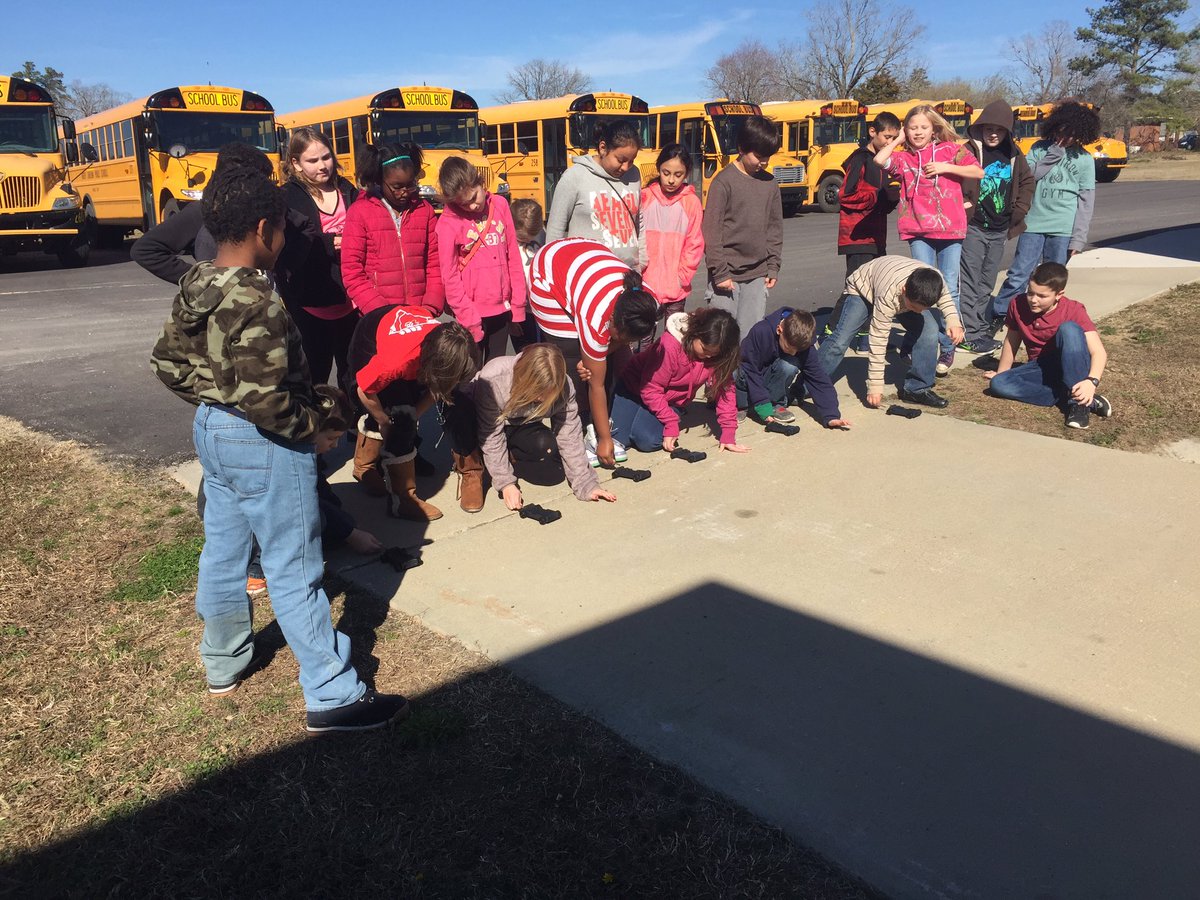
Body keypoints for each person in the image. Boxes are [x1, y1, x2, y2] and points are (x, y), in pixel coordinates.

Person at [149, 167, 408, 733]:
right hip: (264, 443)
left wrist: (215, 399)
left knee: (223, 550)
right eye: (284, 229)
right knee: (294, 567)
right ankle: (332, 693)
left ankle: (223, 660)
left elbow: (166, 364)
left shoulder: (197, 281)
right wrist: (312, 428)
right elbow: (267, 400)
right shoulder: (258, 301)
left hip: (212, 431)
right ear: (265, 229)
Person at [528, 237, 659, 467]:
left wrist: (599, 354)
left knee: (598, 361)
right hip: (548, 273)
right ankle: (576, 431)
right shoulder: (596, 318)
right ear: (612, 319)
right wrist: (605, 441)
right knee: (570, 360)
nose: (625, 343)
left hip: (583, 264)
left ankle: (600, 425)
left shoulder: (648, 305)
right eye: (621, 337)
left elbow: (615, 344)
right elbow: (595, 385)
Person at [874, 104, 983, 376]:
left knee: (949, 287)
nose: (918, 132)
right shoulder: (904, 158)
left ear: (934, 128)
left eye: (923, 127)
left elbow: (978, 172)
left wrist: (946, 167)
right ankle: (917, 339)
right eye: (912, 128)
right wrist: (897, 140)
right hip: (918, 230)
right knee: (920, 288)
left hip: (950, 228)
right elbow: (879, 160)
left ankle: (947, 345)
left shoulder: (951, 150)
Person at [348, 307, 482, 518]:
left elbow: (439, 387)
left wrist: (415, 416)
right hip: (372, 335)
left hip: (413, 338)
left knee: (416, 415)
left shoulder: (449, 345)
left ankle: (470, 470)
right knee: (399, 416)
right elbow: (364, 390)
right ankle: (400, 498)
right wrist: (384, 421)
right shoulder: (394, 362)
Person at [991, 101, 1101, 326]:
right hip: (1033, 224)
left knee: (1052, 280)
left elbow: (1086, 203)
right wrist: (1053, 155)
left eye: (1071, 134)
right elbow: (1028, 177)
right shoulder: (1039, 149)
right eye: (1062, 131)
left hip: (1063, 229)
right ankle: (1002, 314)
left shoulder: (1084, 159)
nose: (1065, 138)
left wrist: (1078, 238)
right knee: (1019, 273)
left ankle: (1045, 318)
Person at [473, 344, 617, 510]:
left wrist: (586, 484)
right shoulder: (494, 379)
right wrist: (506, 483)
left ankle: (510, 454)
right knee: (472, 434)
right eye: (537, 392)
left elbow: (569, 435)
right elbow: (491, 436)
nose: (541, 399)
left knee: (546, 448)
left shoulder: (565, 386)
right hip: (481, 422)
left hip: (520, 424)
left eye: (547, 394)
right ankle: (473, 468)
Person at [818, 255, 963, 409]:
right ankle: (809, 383)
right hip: (863, 287)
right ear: (904, 290)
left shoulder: (934, 280)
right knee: (840, 341)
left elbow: (946, 299)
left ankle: (917, 389)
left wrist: (954, 322)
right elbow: (878, 340)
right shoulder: (888, 295)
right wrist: (875, 386)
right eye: (914, 308)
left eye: (923, 309)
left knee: (929, 330)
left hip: (893, 282)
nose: (918, 312)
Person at [985, 262, 1112, 429]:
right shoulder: (1017, 304)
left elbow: (1099, 352)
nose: (1033, 300)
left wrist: (1091, 382)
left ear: (1059, 294)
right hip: (1040, 367)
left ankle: (1079, 405)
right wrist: (1002, 372)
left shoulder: (1073, 309)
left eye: (1042, 296)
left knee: (1069, 329)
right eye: (1030, 293)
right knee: (999, 384)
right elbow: (1011, 340)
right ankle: (1076, 396)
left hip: (1073, 363)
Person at [280, 127, 360, 392]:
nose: (323, 166)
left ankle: (353, 417)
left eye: (326, 157)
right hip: (309, 302)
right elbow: (288, 247)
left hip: (352, 299)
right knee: (315, 376)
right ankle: (318, 420)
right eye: (312, 161)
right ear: (296, 163)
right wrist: (333, 242)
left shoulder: (348, 189)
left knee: (354, 373)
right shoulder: (287, 196)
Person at [611, 307, 748, 455]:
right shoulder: (670, 345)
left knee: (647, 441)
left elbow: (725, 392)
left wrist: (728, 434)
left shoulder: (718, 357)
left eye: (714, 353)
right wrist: (670, 422)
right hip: (634, 389)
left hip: (669, 400)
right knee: (618, 438)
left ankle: (669, 412)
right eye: (705, 349)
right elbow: (651, 388)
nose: (709, 356)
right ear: (695, 333)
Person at [956, 102, 1034, 355]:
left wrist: (1019, 210)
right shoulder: (968, 151)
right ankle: (969, 334)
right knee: (969, 280)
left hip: (1000, 228)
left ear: (1007, 132)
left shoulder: (1014, 154)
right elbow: (951, 178)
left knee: (987, 281)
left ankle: (979, 327)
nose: (993, 134)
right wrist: (961, 203)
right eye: (988, 129)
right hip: (974, 227)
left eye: (999, 130)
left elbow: (1027, 181)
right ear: (980, 128)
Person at [435, 157, 528, 360]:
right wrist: (469, 319)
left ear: (481, 182)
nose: (472, 207)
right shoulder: (448, 223)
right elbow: (449, 276)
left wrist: (518, 306)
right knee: (472, 373)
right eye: (463, 204)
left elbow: (513, 256)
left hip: (502, 310)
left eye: (474, 197)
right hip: (470, 312)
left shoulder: (500, 205)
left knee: (496, 370)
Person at [702, 115, 783, 339]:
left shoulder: (770, 184)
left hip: (757, 275)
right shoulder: (723, 182)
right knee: (722, 339)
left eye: (767, 157)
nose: (763, 163)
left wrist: (773, 266)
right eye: (758, 156)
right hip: (726, 276)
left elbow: (775, 228)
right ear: (741, 148)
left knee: (750, 337)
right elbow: (712, 231)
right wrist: (720, 272)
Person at [341, 142, 444, 317]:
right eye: (397, 187)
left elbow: (435, 263)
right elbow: (352, 272)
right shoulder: (359, 212)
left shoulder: (424, 211)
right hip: (379, 316)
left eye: (410, 184)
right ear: (379, 181)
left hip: (421, 314)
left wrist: (430, 306)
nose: (405, 192)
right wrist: (382, 313)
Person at [545, 119, 644, 268]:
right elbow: (555, 231)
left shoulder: (634, 174)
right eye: (621, 160)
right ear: (603, 148)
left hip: (630, 273)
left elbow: (639, 222)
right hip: (588, 275)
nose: (625, 167)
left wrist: (641, 262)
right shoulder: (574, 176)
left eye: (631, 161)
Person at [736, 308, 851, 430]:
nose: (793, 353)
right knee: (736, 372)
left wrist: (831, 415)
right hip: (748, 376)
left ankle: (774, 403)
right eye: (789, 348)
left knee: (790, 365)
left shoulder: (804, 344)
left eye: (798, 350)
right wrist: (762, 404)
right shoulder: (761, 331)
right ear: (779, 330)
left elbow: (818, 378)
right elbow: (750, 369)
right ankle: (742, 405)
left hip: (769, 380)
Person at [311, 385, 383, 555]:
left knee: (337, 519)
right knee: (322, 521)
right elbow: (306, 501)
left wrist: (341, 517)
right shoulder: (289, 464)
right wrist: (350, 533)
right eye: (331, 438)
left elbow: (320, 486)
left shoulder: (308, 453)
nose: (335, 445)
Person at [640, 143, 705, 325]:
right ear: (658, 169)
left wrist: (683, 277)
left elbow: (694, 244)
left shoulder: (691, 202)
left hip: (676, 289)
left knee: (674, 336)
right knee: (643, 336)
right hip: (645, 285)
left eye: (678, 175)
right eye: (666, 173)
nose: (671, 180)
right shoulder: (645, 197)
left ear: (687, 173)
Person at [837, 112, 901, 276]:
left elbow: (881, 204)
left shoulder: (885, 161)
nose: (890, 142)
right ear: (873, 132)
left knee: (875, 284)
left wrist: (891, 199)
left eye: (894, 138)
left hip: (877, 237)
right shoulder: (860, 159)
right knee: (857, 285)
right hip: (858, 238)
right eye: (887, 137)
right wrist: (877, 197)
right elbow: (845, 196)